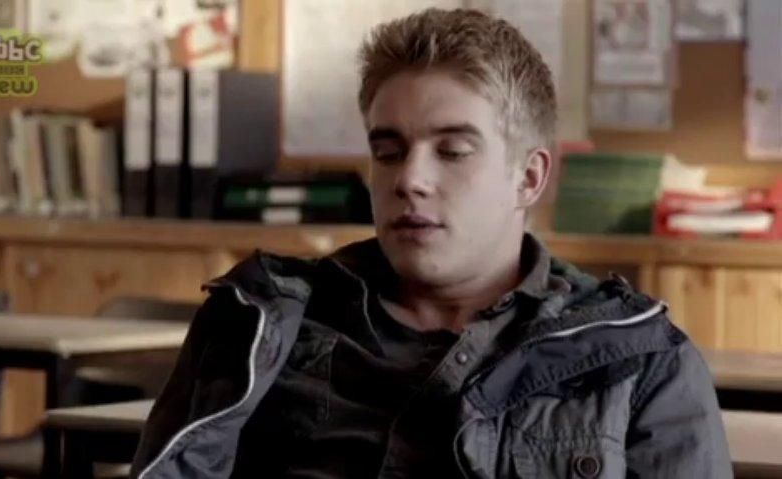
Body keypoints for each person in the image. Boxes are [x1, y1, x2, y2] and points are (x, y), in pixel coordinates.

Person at [131, 8, 730, 478]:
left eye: (453, 151)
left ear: (528, 178)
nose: (410, 179)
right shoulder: (259, 324)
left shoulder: (638, 360)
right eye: (389, 152)